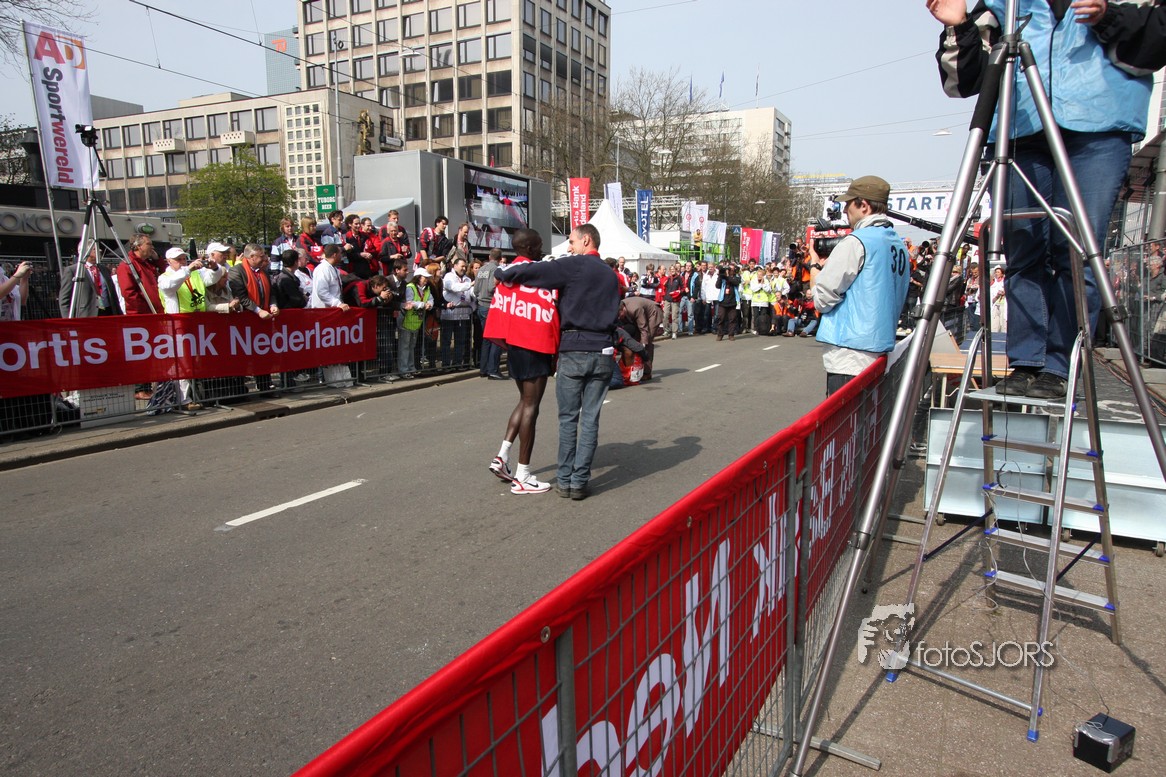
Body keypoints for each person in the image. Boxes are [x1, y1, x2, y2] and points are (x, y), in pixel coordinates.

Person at [928, 0, 1164, 398]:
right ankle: (1026, 362)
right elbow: (963, 82)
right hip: (1020, 127)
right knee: (1023, 248)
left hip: (1098, 127)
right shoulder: (1001, 5)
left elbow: (1155, 44)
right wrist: (960, 26)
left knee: (1079, 250)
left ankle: (1059, 366)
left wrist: (1109, 17)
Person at [495, 223, 620, 501]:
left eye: (572, 241)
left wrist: (501, 272)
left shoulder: (574, 265)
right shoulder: (611, 275)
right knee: (590, 419)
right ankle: (579, 482)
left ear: (586, 240)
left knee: (568, 419)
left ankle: (565, 481)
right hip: (603, 350)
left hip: (574, 347)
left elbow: (533, 272)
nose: (569, 247)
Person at [811, 176, 910, 396]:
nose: (845, 210)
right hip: (880, 349)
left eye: (849, 204)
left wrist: (814, 266)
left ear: (863, 205)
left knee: (845, 418)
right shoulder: (898, 244)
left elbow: (822, 299)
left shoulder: (856, 241)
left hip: (849, 353)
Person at [484, 229, 560, 495]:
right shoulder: (538, 274)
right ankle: (523, 475)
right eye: (538, 245)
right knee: (531, 407)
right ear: (529, 248)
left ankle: (502, 455)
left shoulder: (507, 276)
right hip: (534, 344)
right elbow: (550, 309)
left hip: (515, 344)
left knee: (524, 402)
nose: (541, 249)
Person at [229, 244, 282, 395]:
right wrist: (258, 311)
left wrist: (272, 305)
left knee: (263, 353)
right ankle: (240, 389)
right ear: (252, 257)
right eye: (261, 256)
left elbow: (271, 292)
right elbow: (241, 296)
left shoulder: (263, 271)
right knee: (244, 356)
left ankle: (265, 385)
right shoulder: (236, 271)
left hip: (263, 320)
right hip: (245, 320)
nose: (265, 258)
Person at [58, 245, 121, 318]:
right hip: (86, 314)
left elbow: (113, 294)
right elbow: (64, 299)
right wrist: (68, 320)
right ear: (85, 251)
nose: (100, 250)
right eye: (95, 249)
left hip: (108, 312)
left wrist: (119, 313)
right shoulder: (73, 271)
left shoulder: (104, 270)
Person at [398, 266, 434, 378]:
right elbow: (410, 301)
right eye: (424, 277)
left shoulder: (426, 288)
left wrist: (430, 304)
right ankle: (404, 370)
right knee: (405, 346)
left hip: (416, 321)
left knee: (411, 346)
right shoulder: (410, 287)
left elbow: (430, 299)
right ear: (418, 277)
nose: (426, 280)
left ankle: (411, 367)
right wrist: (423, 304)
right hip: (407, 320)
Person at [475, 247, 505, 379]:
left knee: (486, 339)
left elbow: (475, 289)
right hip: (491, 306)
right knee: (496, 339)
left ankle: (484, 369)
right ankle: (493, 369)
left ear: (489, 257)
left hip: (481, 305)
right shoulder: (496, 269)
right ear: (500, 259)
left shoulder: (481, 269)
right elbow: (491, 287)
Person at [440, 257, 475, 370]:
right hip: (449, 315)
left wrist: (477, 292)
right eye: (462, 266)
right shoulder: (448, 277)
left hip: (462, 315)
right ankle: (446, 365)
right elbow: (454, 287)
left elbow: (471, 294)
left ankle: (457, 363)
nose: (464, 268)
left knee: (460, 341)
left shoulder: (467, 279)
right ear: (455, 266)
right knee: (446, 341)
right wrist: (470, 285)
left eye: (465, 266)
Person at [617, 295, 663, 381]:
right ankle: (633, 369)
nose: (619, 318)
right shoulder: (621, 306)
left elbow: (643, 328)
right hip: (642, 315)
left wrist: (643, 346)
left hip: (654, 313)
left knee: (647, 340)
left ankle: (647, 372)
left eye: (620, 315)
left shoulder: (635, 309)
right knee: (635, 342)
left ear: (623, 309)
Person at [714, 263, 741, 341]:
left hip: (732, 301)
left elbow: (736, 282)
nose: (729, 271)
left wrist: (727, 276)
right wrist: (720, 276)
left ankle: (731, 334)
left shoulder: (736, 277)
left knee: (732, 319)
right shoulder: (722, 277)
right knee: (720, 318)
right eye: (728, 269)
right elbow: (717, 286)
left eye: (731, 269)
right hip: (723, 301)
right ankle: (720, 334)